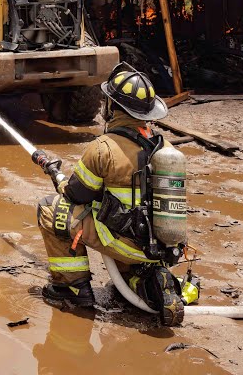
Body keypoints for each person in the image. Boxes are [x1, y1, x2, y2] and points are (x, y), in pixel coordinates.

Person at [29, 62, 190, 322]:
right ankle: (145, 280)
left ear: (112, 106)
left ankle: (72, 288)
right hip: (161, 247)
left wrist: (57, 177)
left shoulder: (103, 148)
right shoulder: (166, 149)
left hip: (125, 243)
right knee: (121, 222)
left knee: (51, 209)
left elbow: (76, 196)